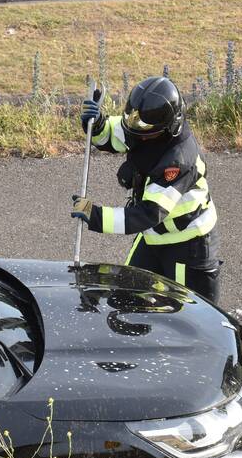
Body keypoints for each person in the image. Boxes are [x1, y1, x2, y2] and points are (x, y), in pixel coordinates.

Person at [72, 76, 221, 303]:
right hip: (154, 237)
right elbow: (117, 133)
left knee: (186, 318)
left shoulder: (178, 160)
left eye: (142, 129)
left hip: (188, 245)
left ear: (167, 127)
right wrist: (99, 124)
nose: (134, 133)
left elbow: (148, 213)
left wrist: (96, 216)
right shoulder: (145, 130)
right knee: (124, 298)